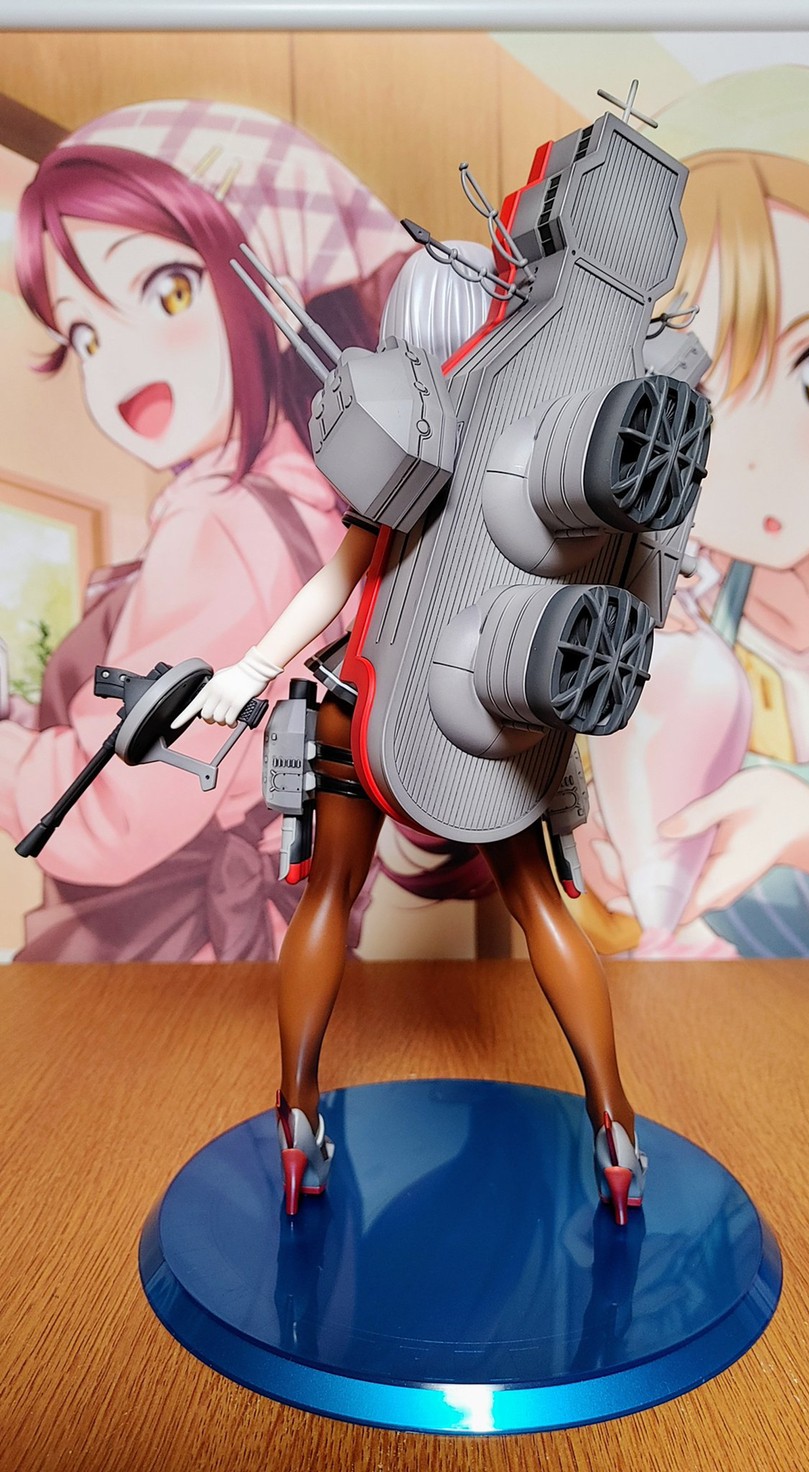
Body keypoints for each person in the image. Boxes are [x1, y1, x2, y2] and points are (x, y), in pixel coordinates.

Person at [174, 243, 647, 1224]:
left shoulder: (404, 434)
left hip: (372, 704)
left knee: (327, 896)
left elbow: (341, 578)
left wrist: (251, 671)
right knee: (541, 906)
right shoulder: (562, 462)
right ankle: (615, 1125)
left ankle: (297, 1114)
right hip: (496, 710)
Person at [0, 99, 410, 961]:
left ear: (273, 295)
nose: (120, 364)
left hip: (196, 951)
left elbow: (113, 806)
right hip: (286, 922)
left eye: (168, 290)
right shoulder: (325, 498)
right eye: (85, 334)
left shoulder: (224, 522)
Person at [579, 66, 809, 960]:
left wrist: (807, 830)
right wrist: (594, 850)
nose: (756, 454)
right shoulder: (675, 612)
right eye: (700, 389)